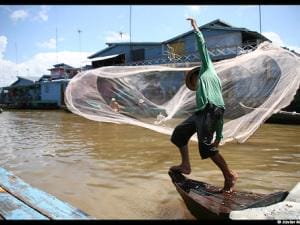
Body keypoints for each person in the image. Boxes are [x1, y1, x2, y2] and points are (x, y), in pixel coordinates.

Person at [169, 18, 238, 193]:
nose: (195, 82)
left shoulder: (207, 68)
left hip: (211, 110)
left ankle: (229, 175)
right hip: (202, 113)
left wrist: (196, 28)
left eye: (194, 79)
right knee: (178, 134)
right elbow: (219, 116)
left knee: (206, 148)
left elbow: (202, 46)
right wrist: (219, 135)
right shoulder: (201, 94)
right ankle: (185, 165)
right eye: (193, 82)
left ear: (198, 74)